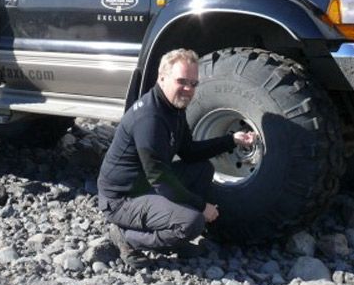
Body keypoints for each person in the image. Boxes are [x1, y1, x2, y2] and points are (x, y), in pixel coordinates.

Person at [97, 48, 256, 266]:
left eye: (193, 83)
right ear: (162, 78)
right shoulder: (150, 119)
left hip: (144, 185)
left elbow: (189, 152)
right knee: (192, 222)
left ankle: (174, 233)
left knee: (203, 169)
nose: (188, 89)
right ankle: (127, 237)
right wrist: (201, 206)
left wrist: (231, 140)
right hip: (122, 198)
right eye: (182, 81)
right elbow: (160, 178)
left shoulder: (173, 108)